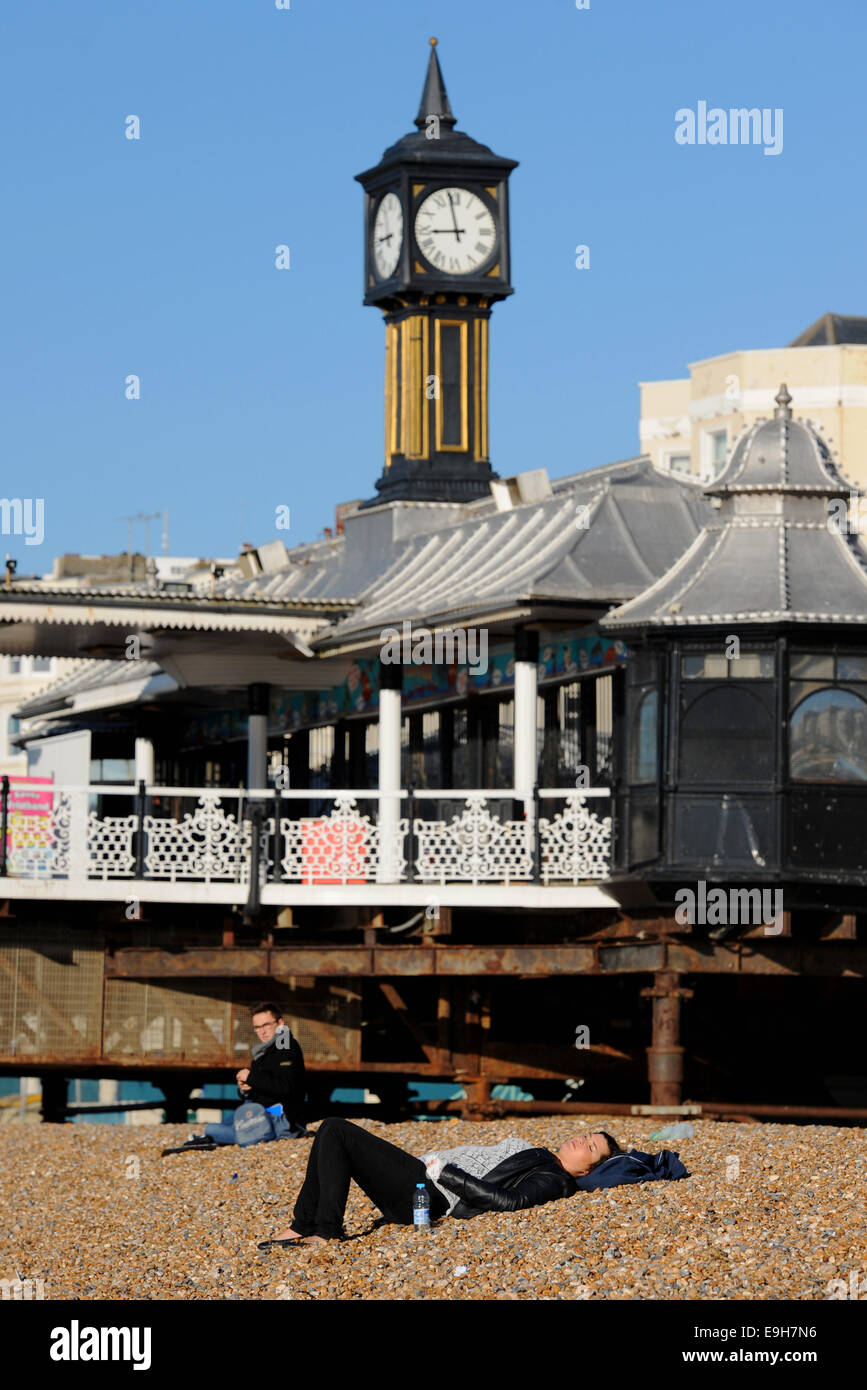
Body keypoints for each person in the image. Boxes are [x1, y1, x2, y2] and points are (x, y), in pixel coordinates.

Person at [257, 1118, 637, 1247]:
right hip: (424, 1178)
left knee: (336, 1130)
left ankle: (326, 1231)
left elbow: (507, 1201)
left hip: (430, 1194)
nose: (580, 1140)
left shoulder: (555, 1179)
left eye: (590, 1147)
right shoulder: (545, 1155)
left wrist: (444, 1173)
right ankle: (301, 1226)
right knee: (329, 1131)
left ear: (586, 1170)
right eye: (586, 1135)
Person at [183, 1002, 308, 1150]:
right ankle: (212, 1137)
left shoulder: (286, 1045)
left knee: (213, 1129)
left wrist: (252, 1078)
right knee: (219, 1125)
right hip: (260, 1111)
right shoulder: (264, 1052)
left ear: (280, 1023)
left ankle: (213, 1137)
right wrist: (245, 1088)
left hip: (280, 1116)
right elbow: (260, 1091)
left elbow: (286, 1088)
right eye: (257, 1027)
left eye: (266, 1025)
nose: (262, 1031)